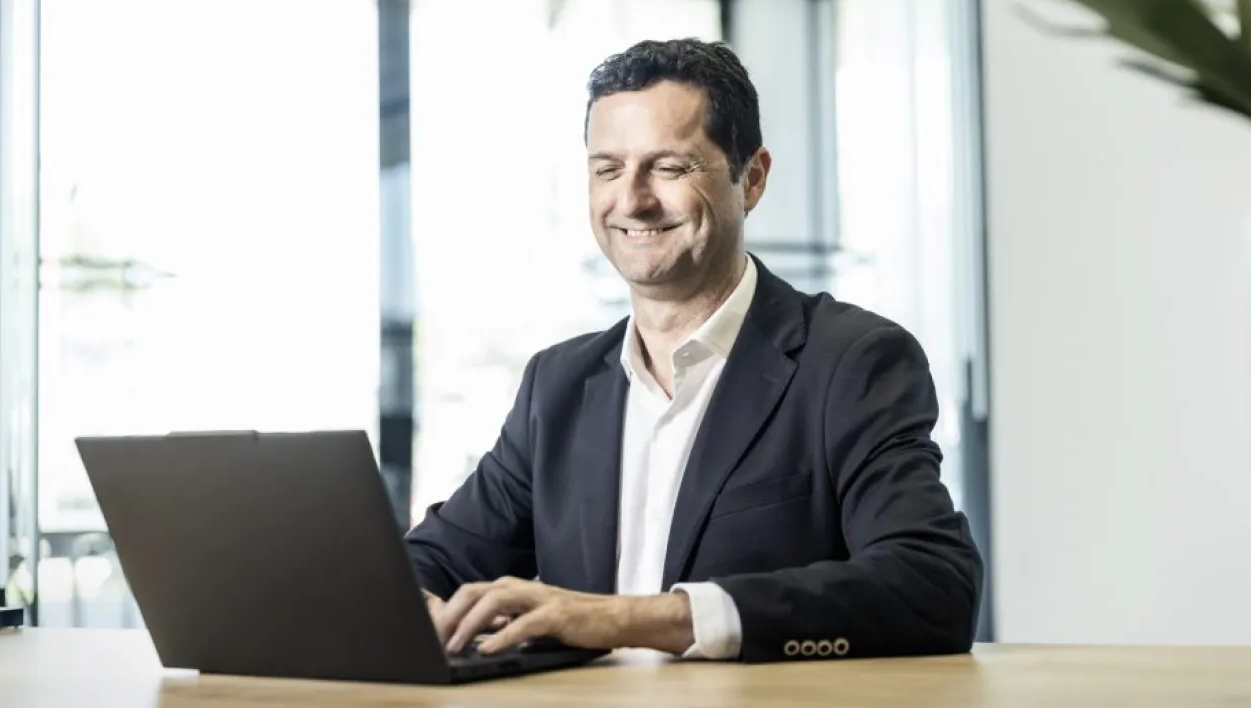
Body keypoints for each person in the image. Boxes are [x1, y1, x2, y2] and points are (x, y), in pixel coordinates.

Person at [404, 38, 982, 663]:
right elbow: (431, 560)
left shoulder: (852, 361)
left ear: (751, 178)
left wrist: (634, 618)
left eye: (670, 167)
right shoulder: (559, 383)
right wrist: (418, 606)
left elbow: (931, 587)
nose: (632, 200)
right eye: (608, 169)